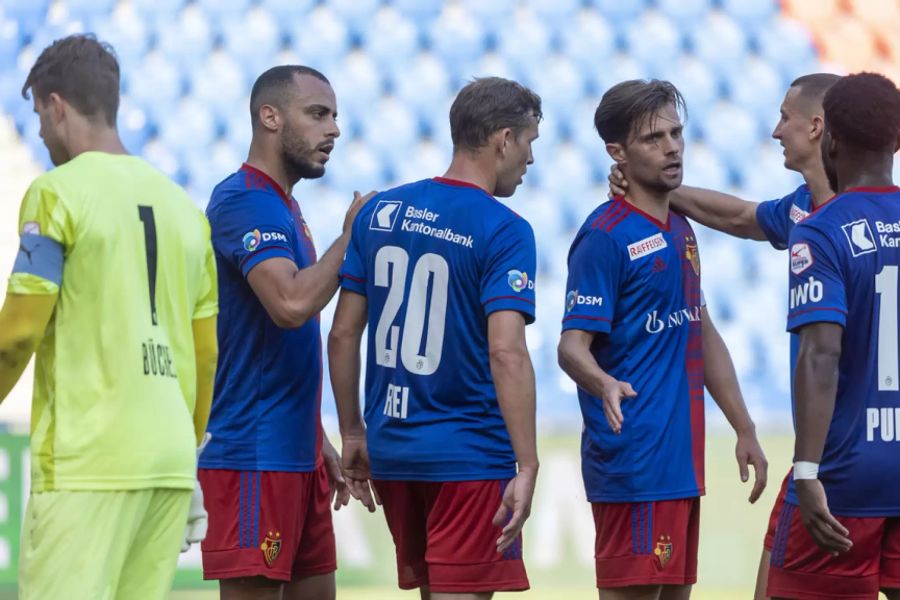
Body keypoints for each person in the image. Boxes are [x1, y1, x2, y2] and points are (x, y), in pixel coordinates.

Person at [0, 34, 218, 599]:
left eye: (40, 117)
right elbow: (205, 353)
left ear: (56, 105)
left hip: (88, 462)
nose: (43, 134)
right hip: (168, 464)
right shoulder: (186, 212)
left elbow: (19, 332)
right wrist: (186, 448)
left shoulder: (55, 195)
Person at [608, 73, 841, 600]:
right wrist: (655, 186)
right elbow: (740, 216)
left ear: (817, 126)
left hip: (834, 457)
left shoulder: (835, 218)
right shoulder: (810, 208)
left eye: (786, 117)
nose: (776, 129)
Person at [328, 76, 542, 600]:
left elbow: (341, 334)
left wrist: (353, 433)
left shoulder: (379, 213)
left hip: (393, 451)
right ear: (504, 139)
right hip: (467, 454)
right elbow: (506, 351)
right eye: (531, 143)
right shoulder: (506, 229)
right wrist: (529, 461)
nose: (531, 161)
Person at [558, 79, 767, 600]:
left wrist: (744, 427)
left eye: (676, 133)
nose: (672, 146)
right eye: (654, 138)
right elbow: (571, 346)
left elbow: (702, 328)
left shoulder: (682, 229)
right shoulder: (604, 237)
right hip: (633, 461)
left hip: (680, 463)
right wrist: (602, 381)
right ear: (617, 153)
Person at [198, 65, 371, 600]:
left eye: (336, 116)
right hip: (254, 457)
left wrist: (317, 440)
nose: (334, 129)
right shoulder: (242, 200)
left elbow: (275, 350)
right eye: (318, 114)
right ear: (269, 117)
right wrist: (351, 237)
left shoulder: (285, 207)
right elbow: (291, 305)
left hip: (296, 455)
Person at [766, 72, 900, 600]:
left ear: (832, 139)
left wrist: (806, 470)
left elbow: (821, 355)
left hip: (847, 471)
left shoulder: (822, 229)